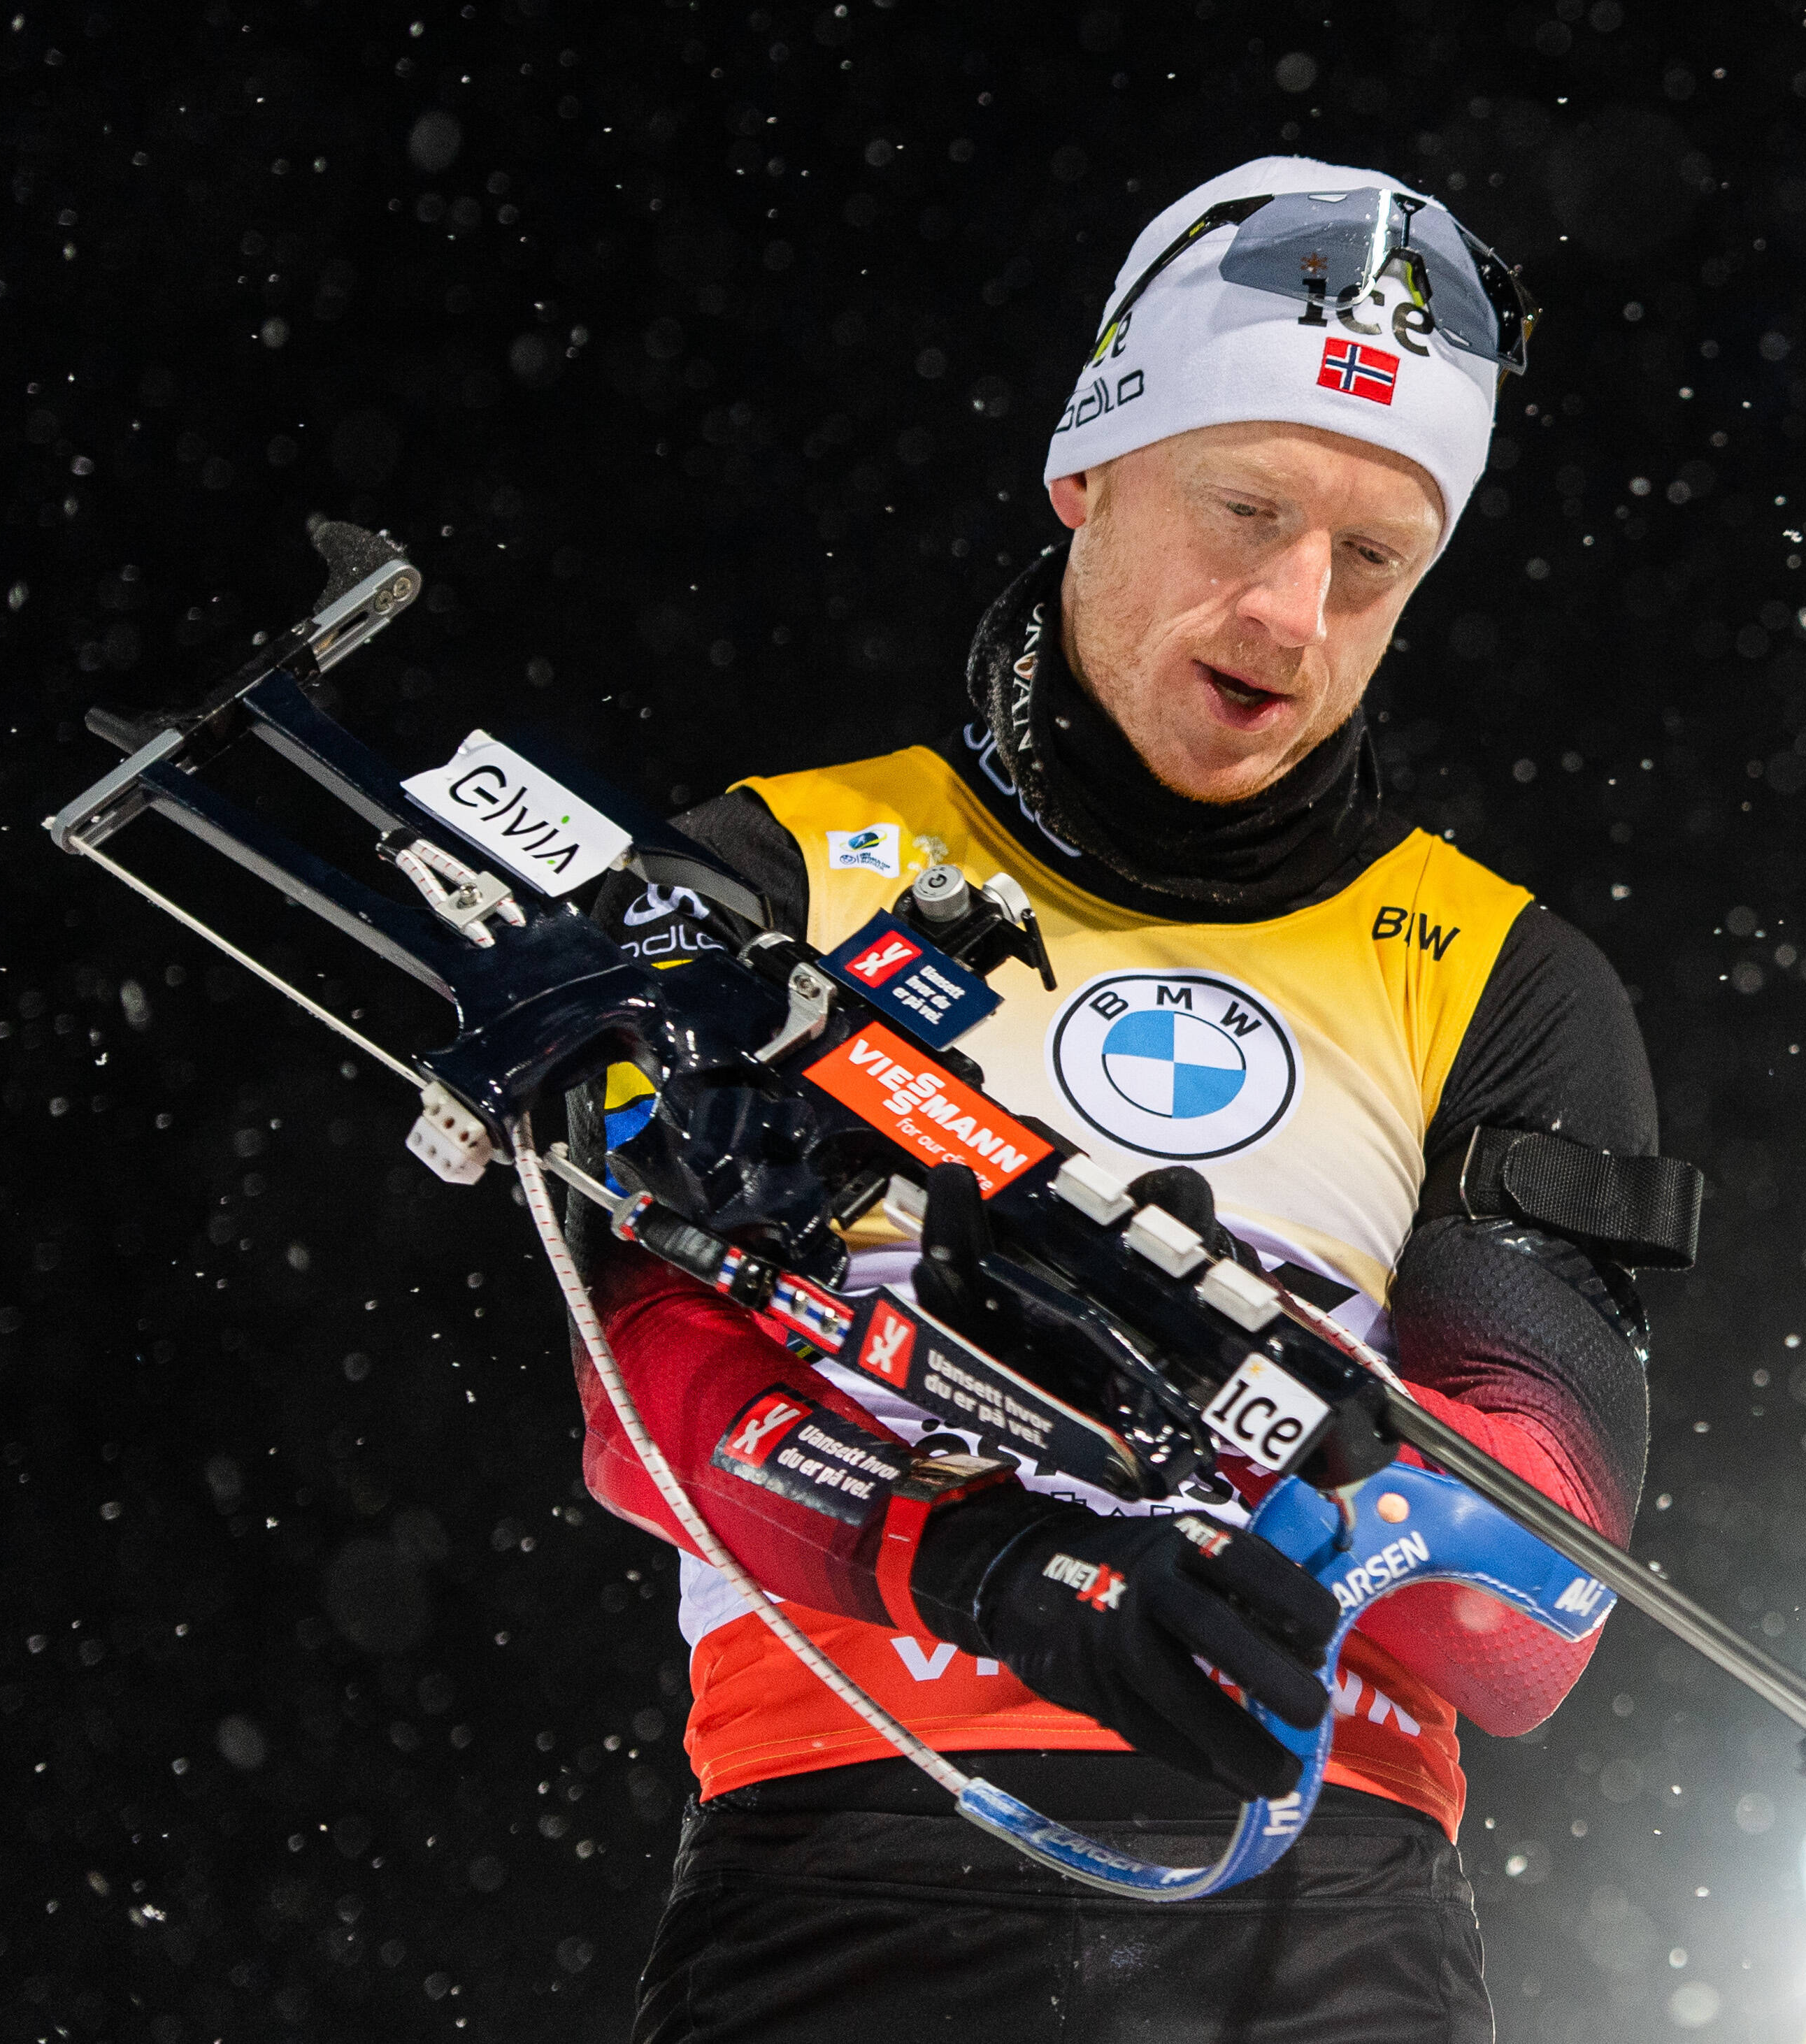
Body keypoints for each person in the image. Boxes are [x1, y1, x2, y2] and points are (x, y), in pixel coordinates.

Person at [575, 156, 1697, 2042]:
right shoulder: (780, 870)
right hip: (846, 1837)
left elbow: (1523, 1621)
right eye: (1244, 506)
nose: (1289, 607)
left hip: (1319, 1888)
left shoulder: (1502, 974)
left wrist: (1289, 1504)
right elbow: (646, 1394)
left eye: (1372, 559)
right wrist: (992, 1558)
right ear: (1086, 468)